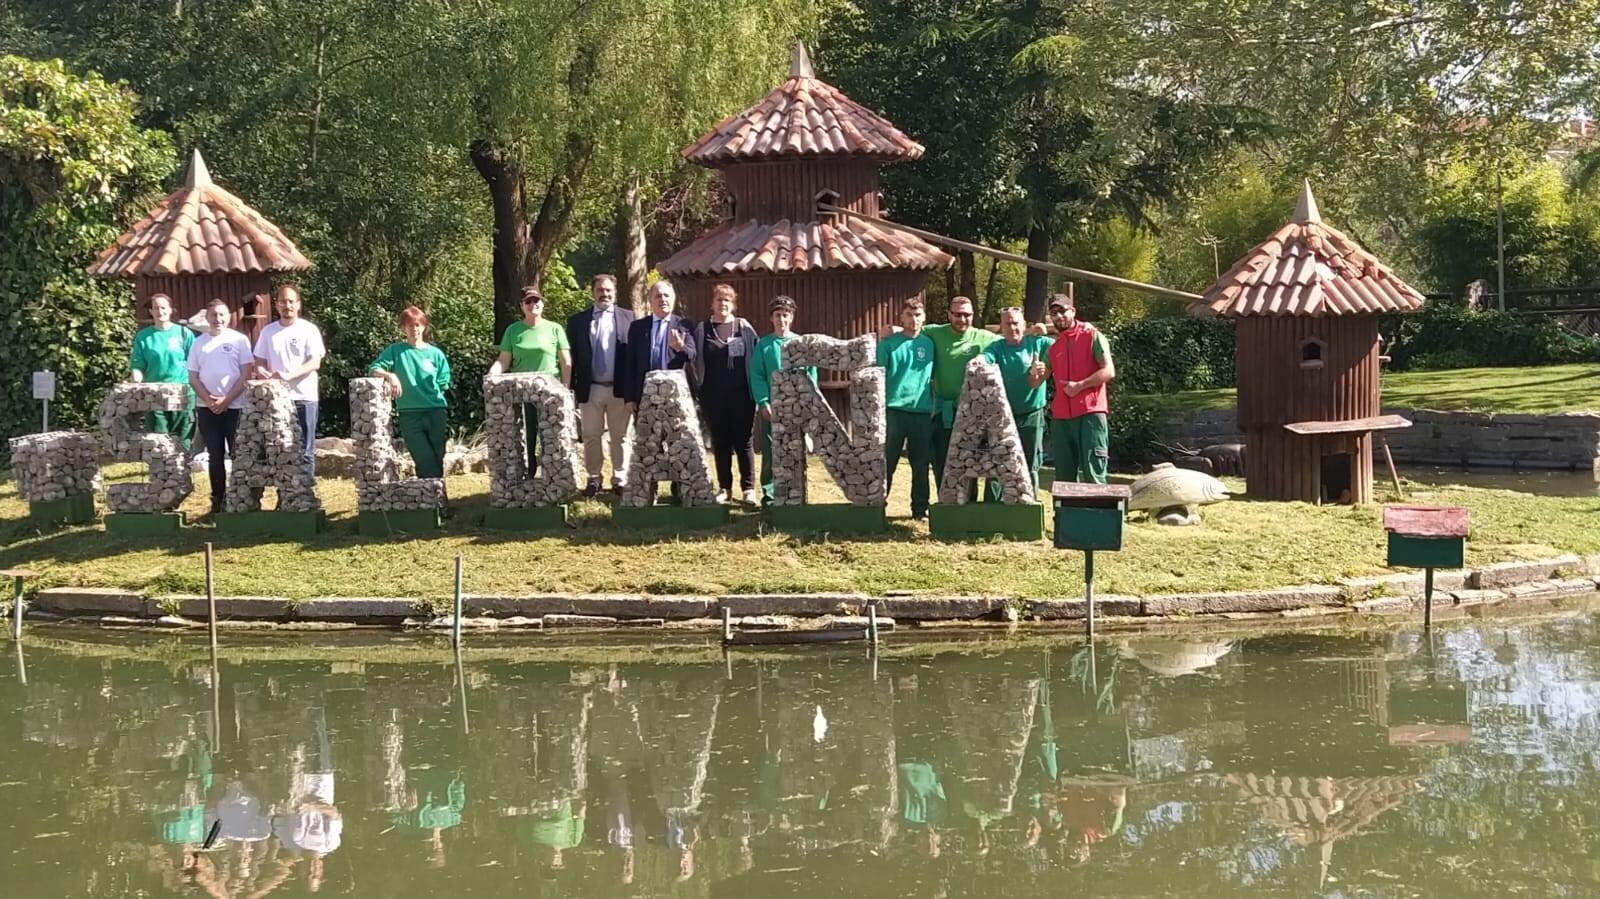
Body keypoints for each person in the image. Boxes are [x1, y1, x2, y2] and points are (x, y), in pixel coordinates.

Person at [621, 280, 696, 503]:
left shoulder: (683, 325)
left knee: (677, 443)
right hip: (644, 396)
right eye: (658, 296)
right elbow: (630, 364)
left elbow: (693, 355)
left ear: (673, 300)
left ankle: (678, 489)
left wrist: (680, 347)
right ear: (650, 301)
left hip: (674, 397)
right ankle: (648, 490)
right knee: (648, 444)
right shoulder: (638, 327)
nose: (663, 300)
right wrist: (629, 397)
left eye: (666, 296)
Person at [490, 286, 572, 477]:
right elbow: (503, 360)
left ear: (542, 304)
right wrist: (492, 375)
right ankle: (527, 474)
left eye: (536, 301)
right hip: (522, 393)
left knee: (551, 436)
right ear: (522, 306)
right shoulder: (513, 331)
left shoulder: (555, 329)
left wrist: (565, 390)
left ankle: (552, 476)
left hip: (550, 394)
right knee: (526, 435)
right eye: (528, 301)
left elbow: (566, 361)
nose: (533, 304)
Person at [567, 274, 635, 497]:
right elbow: (572, 358)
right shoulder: (577, 322)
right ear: (593, 292)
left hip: (620, 388)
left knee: (621, 436)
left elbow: (634, 357)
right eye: (600, 290)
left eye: (608, 291)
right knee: (591, 435)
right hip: (591, 388)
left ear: (614, 293)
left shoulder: (629, 318)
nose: (604, 294)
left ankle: (620, 477)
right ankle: (594, 478)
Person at [692, 284, 760, 506]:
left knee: (744, 442)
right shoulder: (702, 329)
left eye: (727, 300)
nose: (723, 304)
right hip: (713, 397)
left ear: (734, 304)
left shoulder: (744, 328)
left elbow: (757, 358)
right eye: (719, 300)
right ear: (712, 303)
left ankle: (749, 489)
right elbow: (693, 359)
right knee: (720, 443)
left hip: (742, 396)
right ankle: (725, 488)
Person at [925, 296, 999, 499]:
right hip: (943, 410)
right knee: (942, 458)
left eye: (967, 315)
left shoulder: (985, 338)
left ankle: (970, 502)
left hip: (973, 412)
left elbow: (1012, 338)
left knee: (970, 458)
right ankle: (946, 501)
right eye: (957, 314)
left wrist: (1036, 331)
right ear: (949, 314)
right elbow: (911, 331)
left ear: (973, 316)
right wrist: (893, 330)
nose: (962, 319)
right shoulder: (934, 332)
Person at [368, 307, 452, 480]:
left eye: (417, 325)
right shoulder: (395, 351)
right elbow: (374, 369)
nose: (414, 329)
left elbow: (444, 382)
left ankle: (434, 494)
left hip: (436, 410)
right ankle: (432, 495)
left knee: (438, 453)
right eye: (409, 325)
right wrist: (390, 376)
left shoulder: (435, 354)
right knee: (422, 456)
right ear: (403, 328)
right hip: (409, 412)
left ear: (424, 326)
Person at [187, 299, 253, 515]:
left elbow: (246, 375)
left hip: (235, 407)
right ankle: (218, 500)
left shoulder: (240, 340)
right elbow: (193, 377)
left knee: (238, 453)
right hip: (207, 409)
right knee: (215, 455)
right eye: (214, 315)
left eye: (222, 315)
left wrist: (226, 400)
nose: (218, 319)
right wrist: (208, 400)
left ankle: (240, 498)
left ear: (229, 317)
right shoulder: (199, 343)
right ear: (207, 318)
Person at [252, 284, 326, 475]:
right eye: (283, 302)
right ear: (277, 305)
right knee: (280, 448)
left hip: (305, 397)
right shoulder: (268, 332)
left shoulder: (309, 329)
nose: (287, 306)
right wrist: (262, 373)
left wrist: (288, 375)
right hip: (277, 400)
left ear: (298, 304)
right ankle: (285, 496)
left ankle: (306, 497)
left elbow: (315, 362)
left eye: (291, 301)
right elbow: (259, 361)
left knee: (306, 449)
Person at [749, 295, 813, 506]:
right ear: (771, 318)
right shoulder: (764, 346)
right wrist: (763, 401)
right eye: (778, 316)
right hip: (773, 409)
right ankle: (769, 495)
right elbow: (757, 375)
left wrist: (808, 402)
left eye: (785, 315)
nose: (781, 320)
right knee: (770, 453)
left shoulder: (801, 344)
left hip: (796, 409)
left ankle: (796, 492)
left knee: (796, 451)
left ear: (792, 318)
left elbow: (811, 373)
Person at [876, 299, 937, 520]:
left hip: (921, 412)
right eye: (909, 315)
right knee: (887, 462)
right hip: (893, 411)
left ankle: (920, 509)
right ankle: (878, 505)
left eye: (918, 314)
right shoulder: (887, 344)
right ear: (901, 317)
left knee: (920, 464)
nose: (914, 319)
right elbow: (878, 378)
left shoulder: (929, 344)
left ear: (924, 317)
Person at [1046, 293, 1115, 484]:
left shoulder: (1092, 335)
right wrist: (1035, 371)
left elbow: (1109, 371)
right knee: (1064, 479)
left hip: (1090, 414)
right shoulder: (1053, 347)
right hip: (1061, 419)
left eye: (1063, 311)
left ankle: (1100, 514)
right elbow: (1036, 380)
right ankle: (1065, 514)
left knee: (1094, 474)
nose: (1059, 317)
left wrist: (1080, 386)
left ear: (1073, 311)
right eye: (1054, 313)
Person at [982, 307, 1054, 489]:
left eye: (1016, 323)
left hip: (1032, 415)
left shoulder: (1039, 343)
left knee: (1030, 465)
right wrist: (978, 361)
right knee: (998, 464)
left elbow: (1062, 345)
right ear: (1001, 327)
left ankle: (1029, 508)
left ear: (1023, 325)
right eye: (1007, 324)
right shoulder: (996, 348)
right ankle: (994, 509)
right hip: (1001, 416)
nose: (1012, 327)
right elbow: (984, 359)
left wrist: (1045, 330)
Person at [130, 293, 196, 453]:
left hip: (183, 393)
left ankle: (182, 474)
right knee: (159, 441)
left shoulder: (184, 333)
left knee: (183, 440)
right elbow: (137, 366)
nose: (160, 311)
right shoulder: (143, 337)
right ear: (151, 311)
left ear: (171, 310)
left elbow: (195, 363)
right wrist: (135, 382)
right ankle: (162, 475)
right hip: (155, 396)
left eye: (163, 307)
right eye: (156, 308)